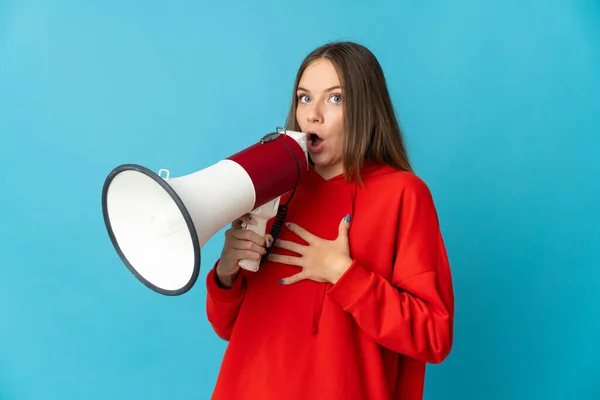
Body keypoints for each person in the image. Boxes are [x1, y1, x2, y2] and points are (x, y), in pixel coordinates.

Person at [205, 41, 454, 400]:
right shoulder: (271, 188)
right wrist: (226, 273)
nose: (313, 115)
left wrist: (344, 274)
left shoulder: (403, 194)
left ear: (366, 109)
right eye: (304, 98)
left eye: (335, 98)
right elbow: (228, 326)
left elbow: (433, 336)